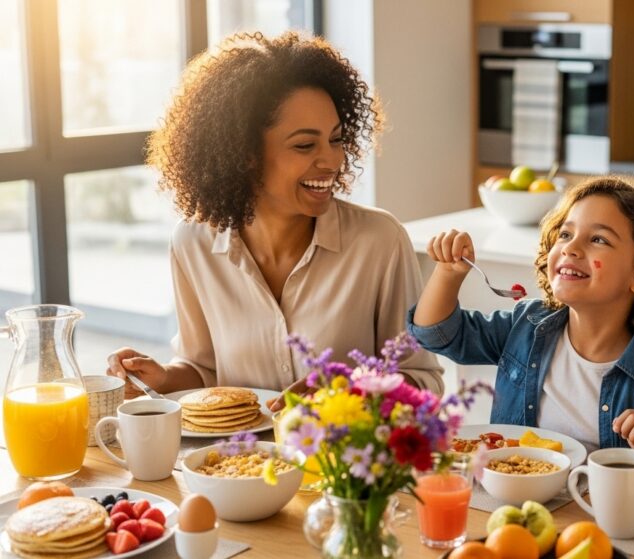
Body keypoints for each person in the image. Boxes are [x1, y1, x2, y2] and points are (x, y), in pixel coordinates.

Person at [106, 32, 443, 406]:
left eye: (336, 139)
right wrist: (163, 378)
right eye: (305, 145)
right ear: (244, 152)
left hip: (344, 446)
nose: (332, 160)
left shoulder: (379, 240)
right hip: (238, 447)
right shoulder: (192, 242)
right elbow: (204, 369)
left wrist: (347, 395)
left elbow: (421, 380)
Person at [408, 178, 634, 464]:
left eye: (598, 239)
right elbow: (435, 334)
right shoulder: (524, 327)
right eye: (565, 234)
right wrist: (448, 274)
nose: (570, 248)